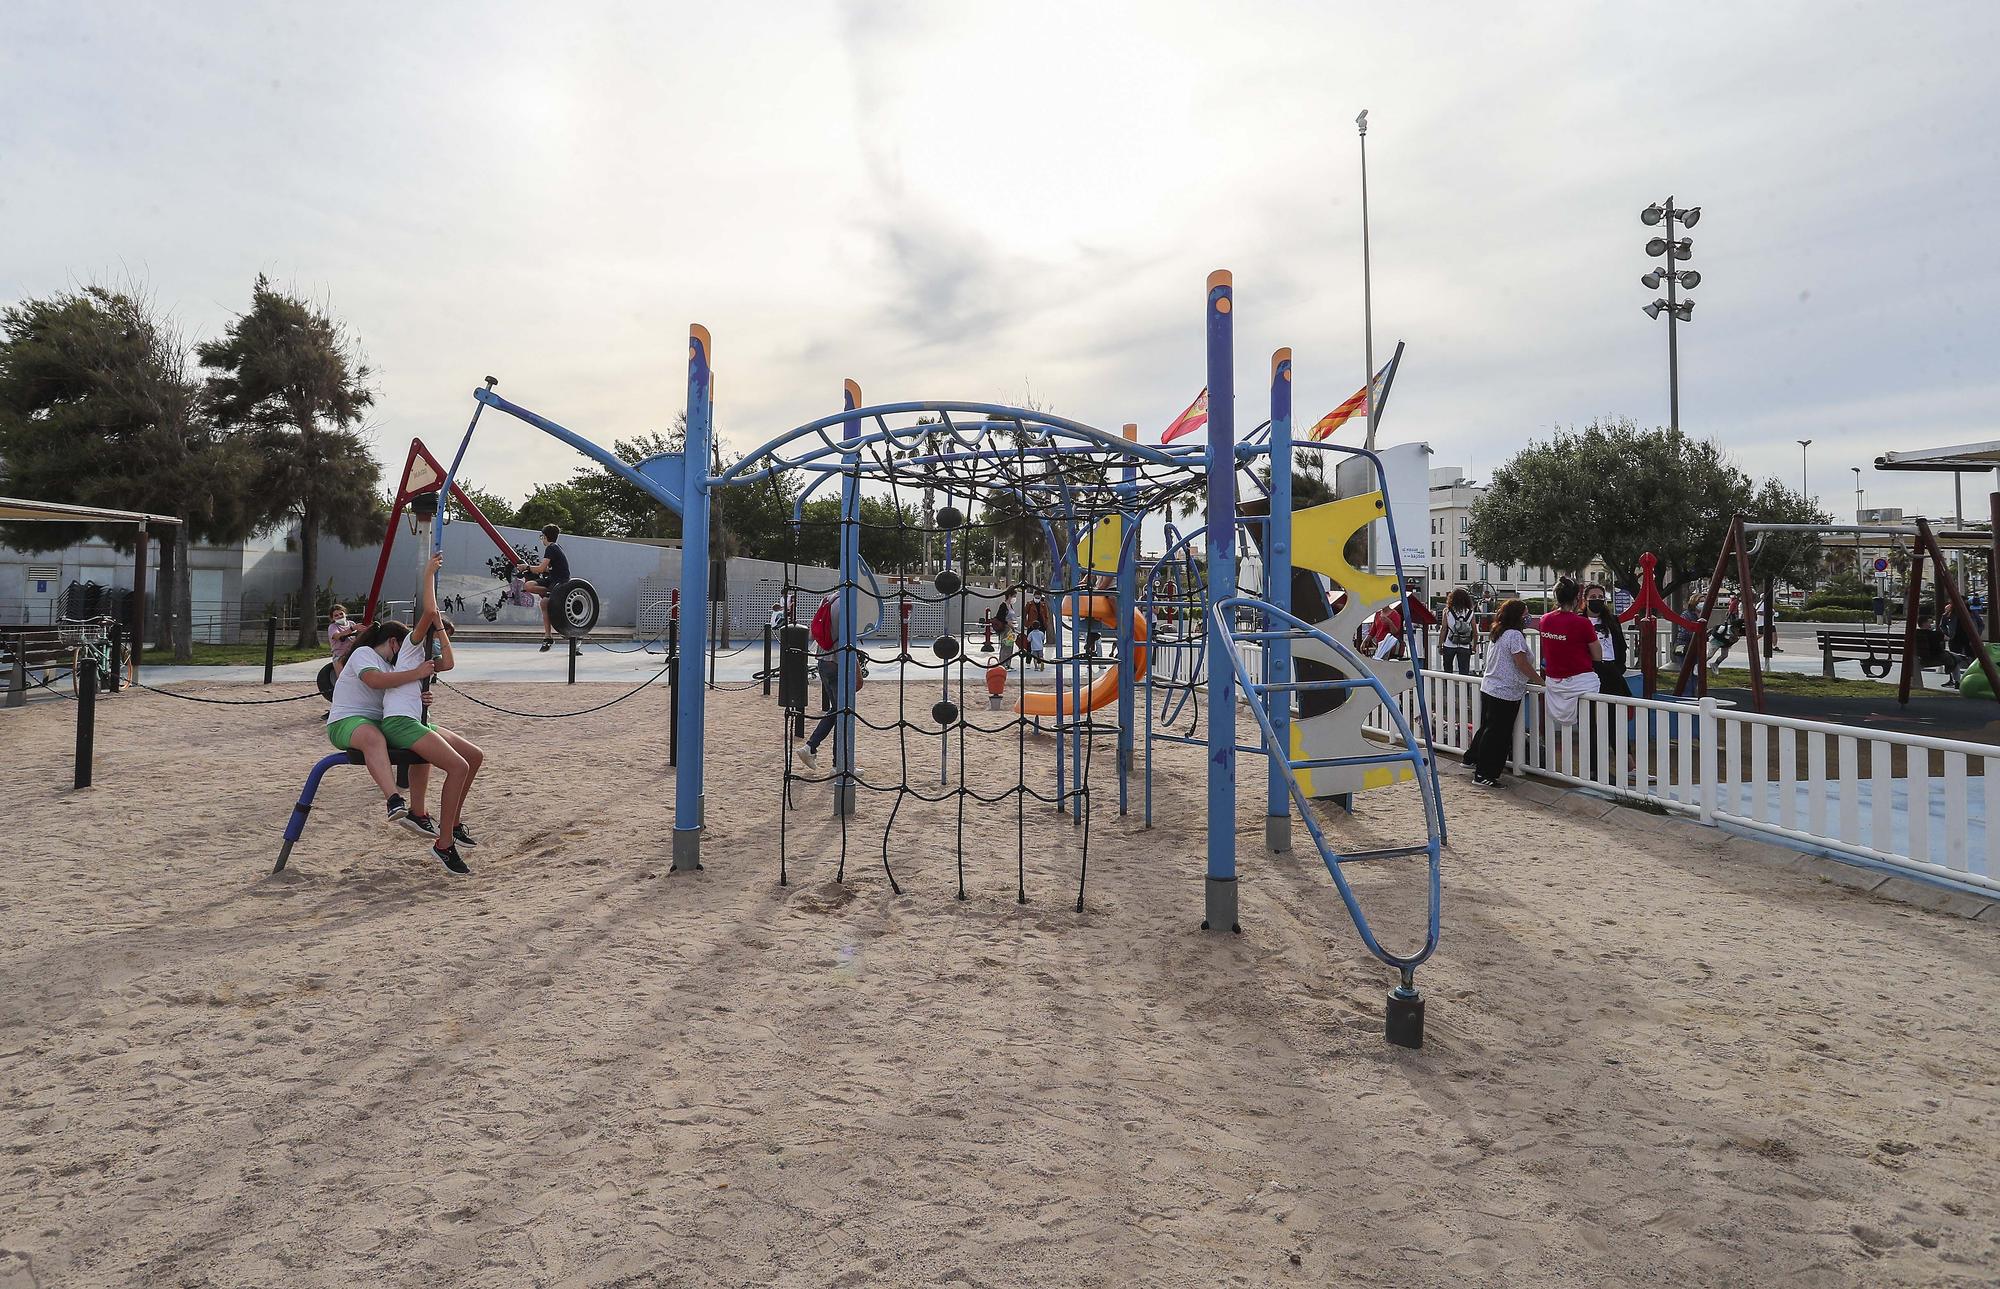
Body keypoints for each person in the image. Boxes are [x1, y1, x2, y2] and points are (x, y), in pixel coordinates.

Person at [381, 553, 485, 873]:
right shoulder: (413, 646)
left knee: (474, 755)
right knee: (458, 766)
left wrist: (442, 635)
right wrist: (429, 575)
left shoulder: (427, 660)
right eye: (438, 639)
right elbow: (429, 610)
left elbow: (449, 664)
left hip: (416, 719)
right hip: (399, 722)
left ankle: (451, 823)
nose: (440, 645)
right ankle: (443, 844)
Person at [322, 614, 436, 836]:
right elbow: (373, 681)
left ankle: (418, 810)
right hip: (347, 721)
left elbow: (398, 696)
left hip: (380, 723)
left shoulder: (393, 669)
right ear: (393, 642)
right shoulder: (364, 654)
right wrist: (416, 673)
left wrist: (421, 698)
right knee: (372, 737)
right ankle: (393, 798)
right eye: (403, 648)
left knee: (423, 740)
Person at [1467, 599, 1536, 786]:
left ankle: (1473, 760)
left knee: (1488, 729)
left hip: (1490, 687)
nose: (1527, 617)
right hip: (1505, 691)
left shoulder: (1499, 632)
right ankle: (1485, 773)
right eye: (1525, 614)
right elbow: (1521, 663)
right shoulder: (1514, 635)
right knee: (1498, 735)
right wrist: (1539, 680)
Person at [1538, 578, 1605, 731]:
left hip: (1554, 682)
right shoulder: (1582, 623)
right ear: (1577, 599)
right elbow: (1598, 655)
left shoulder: (1544, 620)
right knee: (1590, 724)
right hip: (1581, 682)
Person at [519, 523, 573, 651]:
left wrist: (526, 567)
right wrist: (532, 569)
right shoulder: (555, 548)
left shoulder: (551, 548)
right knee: (528, 585)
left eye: (541, 537)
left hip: (560, 582)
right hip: (553, 579)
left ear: (545, 536)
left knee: (544, 603)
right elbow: (547, 569)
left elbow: (542, 568)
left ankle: (548, 636)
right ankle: (551, 593)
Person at [1439, 588, 1477, 675]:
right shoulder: (1470, 612)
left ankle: (1448, 687)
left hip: (1449, 643)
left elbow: (1444, 629)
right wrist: (1474, 646)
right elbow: (1474, 631)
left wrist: (1440, 645)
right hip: (1465, 644)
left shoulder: (1447, 611)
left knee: (1447, 670)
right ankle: (1464, 688)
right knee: (1464, 671)